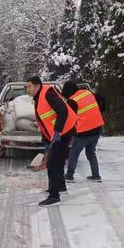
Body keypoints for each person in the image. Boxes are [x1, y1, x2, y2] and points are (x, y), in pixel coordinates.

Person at [25, 76, 77, 207]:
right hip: (59, 132)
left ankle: (54, 196)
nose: (27, 89)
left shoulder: (47, 94)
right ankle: (60, 186)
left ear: (37, 86)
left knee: (52, 164)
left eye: (29, 86)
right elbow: (46, 117)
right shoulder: (39, 96)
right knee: (58, 161)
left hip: (63, 131)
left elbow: (63, 111)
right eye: (26, 87)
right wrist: (46, 137)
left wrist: (57, 131)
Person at [62, 81, 105, 182]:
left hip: (84, 132)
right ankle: (96, 175)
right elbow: (101, 98)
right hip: (97, 128)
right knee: (91, 152)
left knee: (73, 153)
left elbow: (70, 119)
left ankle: (69, 176)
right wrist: (101, 110)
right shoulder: (87, 92)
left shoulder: (72, 101)